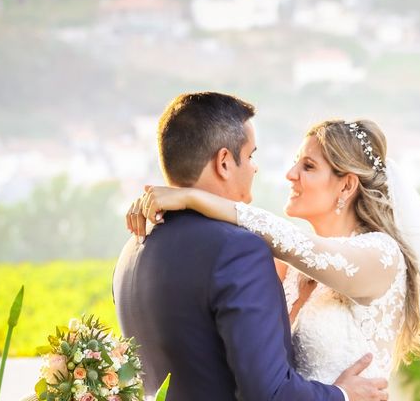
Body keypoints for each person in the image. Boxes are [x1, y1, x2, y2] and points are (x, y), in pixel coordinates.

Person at [129, 116, 420, 400]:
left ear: (346, 186)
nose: (290, 174)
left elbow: (294, 242)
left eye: (308, 166)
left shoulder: (381, 256)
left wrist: (193, 197)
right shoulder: (286, 268)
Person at [114, 92, 388, 401]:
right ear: (224, 162)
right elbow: (268, 392)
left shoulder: (132, 250)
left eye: (308, 166)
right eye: (251, 155)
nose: (258, 169)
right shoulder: (239, 251)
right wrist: (341, 395)